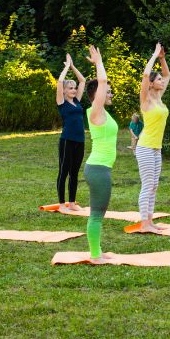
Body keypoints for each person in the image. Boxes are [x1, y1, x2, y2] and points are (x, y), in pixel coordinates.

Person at [83, 45, 117, 264]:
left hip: (100, 169)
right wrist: (99, 63)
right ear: (98, 95)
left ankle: (98, 250)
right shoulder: (95, 111)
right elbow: (102, 83)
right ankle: (95, 255)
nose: (111, 93)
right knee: (96, 213)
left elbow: (104, 85)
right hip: (97, 170)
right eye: (108, 91)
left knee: (99, 212)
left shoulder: (102, 112)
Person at [136, 42, 170, 232]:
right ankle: (143, 223)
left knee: (154, 185)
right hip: (145, 147)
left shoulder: (159, 97)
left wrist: (162, 58)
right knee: (147, 184)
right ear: (151, 83)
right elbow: (144, 75)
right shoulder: (146, 99)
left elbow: (167, 75)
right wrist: (153, 55)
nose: (162, 82)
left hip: (156, 148)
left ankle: (150, 221)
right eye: (158, 80)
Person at [55, 54, 86, 212]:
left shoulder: (77, 101)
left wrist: (73, 66)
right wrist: (66, 67)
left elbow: (83, 81)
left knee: (74, 172)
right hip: (67, 140)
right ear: (65, 91)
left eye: (74, 88)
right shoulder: (61, 103)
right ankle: (62, 204)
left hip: (80, 140)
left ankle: (72, 203)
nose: (74, 90)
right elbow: (60, 82)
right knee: (64, 171)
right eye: (70, 88)